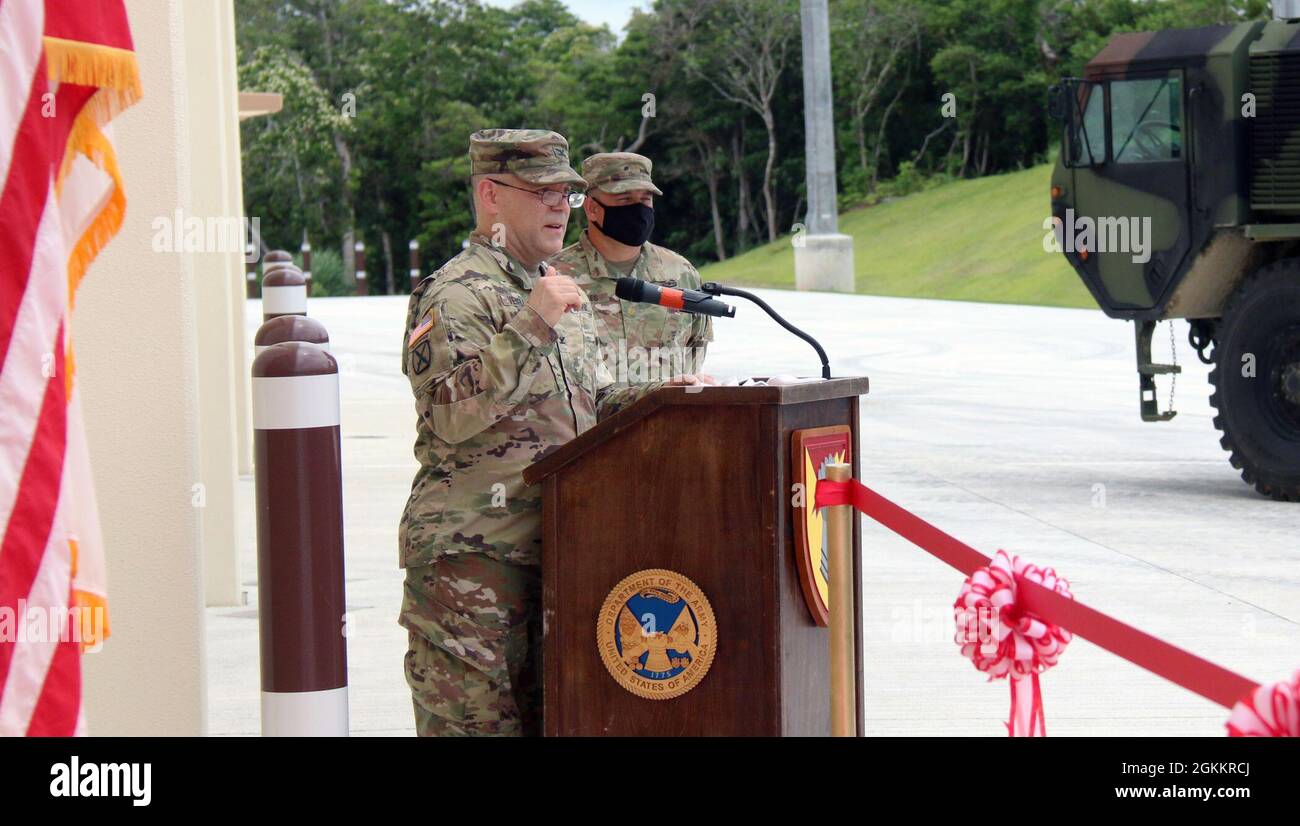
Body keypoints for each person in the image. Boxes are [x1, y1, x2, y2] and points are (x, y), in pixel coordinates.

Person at [397, 129, 706, 737]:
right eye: (540, 192)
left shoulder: (552, 289)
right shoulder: (458, 291)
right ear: (490, 194)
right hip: (474, 566)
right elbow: (449, 413)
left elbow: (584, 406)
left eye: (565, 193)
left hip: (565, 552)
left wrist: (667, 398)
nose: (558, 207)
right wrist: (532, 321)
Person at [550, 152, 712, 383]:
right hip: (593, 419)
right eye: (624, 200)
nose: (638, 210)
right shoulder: (555, 275)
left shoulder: (681, 274)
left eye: (645, 200)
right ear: (592, 208)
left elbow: (695, 348)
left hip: (666, 418)